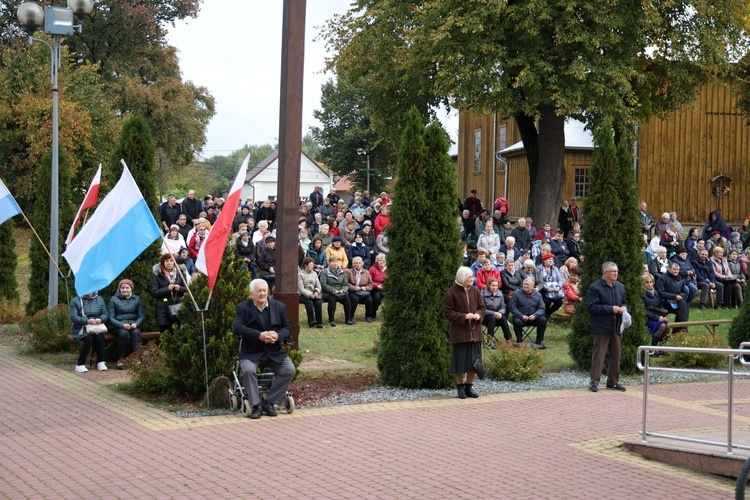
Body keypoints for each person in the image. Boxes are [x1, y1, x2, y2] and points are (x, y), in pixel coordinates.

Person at [232, 279, 295, 420]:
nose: (262, 293)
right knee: (248, 371)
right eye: (259, 291)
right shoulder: (243, 308)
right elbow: (237, 327)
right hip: (251, 351)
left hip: (274, 350)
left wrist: (277, 335)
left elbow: (287, 328)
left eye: (264, 290)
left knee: (289, 370)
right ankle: (256, 405)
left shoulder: (279, 307)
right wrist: (258, 335)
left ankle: (269, 402)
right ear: (251, 294)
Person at [442, 267, 485, 399]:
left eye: (472, 277)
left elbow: (482, 307)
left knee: (474, 362)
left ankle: (469, 387)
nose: (472, 279)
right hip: (460, 333)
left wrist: (478, 315)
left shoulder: (475, 291)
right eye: (469, 277)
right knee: (459, 362)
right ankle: (460, 387)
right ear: (461, 278)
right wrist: (464, 317)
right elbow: (447, 313)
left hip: (475, 333)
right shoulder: (451, 293)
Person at [587, 262, 627, 393]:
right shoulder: (595, 287)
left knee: (616, 355)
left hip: (617, 327)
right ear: (605, 273)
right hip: (601, 327)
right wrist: (611, 309)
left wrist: (624, 308)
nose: (616, 273)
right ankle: (594, 382)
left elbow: (624, 301)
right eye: (613, 271)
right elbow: (592, 307)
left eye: (616, 271)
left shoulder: (620, 287)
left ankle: (613, 382)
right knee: (599, 356)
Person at [108, 279, 145, 369]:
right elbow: (111, 318)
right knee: (123, 333)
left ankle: (137, 359)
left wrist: (136, 323)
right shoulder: (114, 299)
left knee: (136, 333)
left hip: (133, 325)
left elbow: (141, 316)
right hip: (118, 326)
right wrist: (122, 325)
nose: (125, 290)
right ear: (119, 289)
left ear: (131, 289)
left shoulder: (137, 299)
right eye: (122, 288)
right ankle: (121, 359)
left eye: (127, 288)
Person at [69, 291, 109, 373]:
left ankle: (101, 362)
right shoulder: (75, 301)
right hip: (80, 328)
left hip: (96, 327)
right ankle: (80, 364)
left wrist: (100, 319)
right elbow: (74, 317)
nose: (89, 292)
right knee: (89, 338)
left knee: (99, 337)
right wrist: (86, 321)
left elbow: (105, 314)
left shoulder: (100, 299)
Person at [151, 253, 187, 333]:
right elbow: (154, 292)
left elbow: (187, 290)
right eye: (167, 261)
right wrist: (167, 289)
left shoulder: (180, 273)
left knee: (178, 334)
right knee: (165, 335)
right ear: (163, 262)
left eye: (171, 260)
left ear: (174, 262)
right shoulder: (158, 275)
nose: (169, 263)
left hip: (177, 307)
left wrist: (180, 288)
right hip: (163, 309)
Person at [509, 277, 548, 348]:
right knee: (516, 321)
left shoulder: (538, 295)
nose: (525, 286)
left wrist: (535, 315)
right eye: (524, 284)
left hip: (534, 317)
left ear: (533, 286)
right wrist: (521, 316)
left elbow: (542, 308)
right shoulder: (516, 293)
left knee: (543, 320)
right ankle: (519, 341)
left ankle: (539, 341)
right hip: (521, 317)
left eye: (527, 285)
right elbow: (512, 307)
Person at [319, 255, 353, 326]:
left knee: (347, 298)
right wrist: (333, 290)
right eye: (333, 262)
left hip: (340, 292)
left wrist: (343, 290)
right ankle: (331, 320)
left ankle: (348, 319)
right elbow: (323, 285)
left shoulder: (342, 272)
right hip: (328, 292)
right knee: (332, 299)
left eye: (336, 262)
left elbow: (345, 284)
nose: (335, 264)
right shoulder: (325, 272)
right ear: (329, 263)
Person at [642, 274, 669, 354]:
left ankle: (661, 347)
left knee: (667, 325)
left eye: (651, 282)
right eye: (647, 282)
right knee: (662, 326)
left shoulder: (655, 292)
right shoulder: (642, 295)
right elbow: (643, 311)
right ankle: (653, 348)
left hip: (658, 316)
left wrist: (663, 316)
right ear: (643, 284)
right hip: (647, 318)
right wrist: (657, 318)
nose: (649, 284)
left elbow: (659, 306)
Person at [481, 277, 512, 347]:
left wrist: (500, 313)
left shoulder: (500, 294)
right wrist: (493, 313)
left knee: (503, 318)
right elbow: (482, 309)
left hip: (497, 315)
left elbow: (503, 307)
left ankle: (509, 339)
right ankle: (490, 340)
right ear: (488, 285)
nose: (495, 287)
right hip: (485, 317)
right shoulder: (482, 294)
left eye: (496, 286)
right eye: (493, 285)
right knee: (492, 318)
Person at [346, 257, 375, 322]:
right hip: (352, 291)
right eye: (356, 263)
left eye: (359, 263)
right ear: (353, 264)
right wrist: (354, 288)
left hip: (363, 291)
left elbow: (371, 283)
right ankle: (351, 316)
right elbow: (345, 283)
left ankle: (368, 316)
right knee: (355, 300)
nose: (358, 264)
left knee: (369, 300)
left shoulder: (366, 272)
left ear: (362, 264)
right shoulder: (348, 272)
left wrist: (366, 288)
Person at [298, 258, 324, 328]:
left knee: (318, 302)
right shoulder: (300, 274)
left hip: (314, 293)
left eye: (313, 264)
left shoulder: (314, 273)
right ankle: (311, 321)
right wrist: (310, 295)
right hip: (303, 295)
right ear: (306, 266)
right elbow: (301, 289)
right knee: (309, 303)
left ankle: (319, 322)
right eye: (311, 265)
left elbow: (318, 285)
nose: (312, 266)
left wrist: (316, 292)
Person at [538, 253, 564, 317]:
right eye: (549, 259)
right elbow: (539, 281)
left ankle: (547, 314)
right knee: (547, 302)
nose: (551, 261)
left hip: (554, 289)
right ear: (544, 261)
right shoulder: (539, 269)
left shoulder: (555, 268)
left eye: (552, 259)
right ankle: (544, 314)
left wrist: (559, 287)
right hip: (543, 290)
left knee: (559, 302)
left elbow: (560, 279)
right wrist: (546, 289)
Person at [369, 253, 387, 321]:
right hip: (374, 288)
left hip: (386, 288)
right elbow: (369, 280)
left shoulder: (389, 269)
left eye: (384, 260)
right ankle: (372, 315)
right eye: (380, 260)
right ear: (377, 261)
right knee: (377, 298)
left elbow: (391, 280)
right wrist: (377, 286)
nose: (382, 262)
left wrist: (385, 285)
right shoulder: (372, 269)